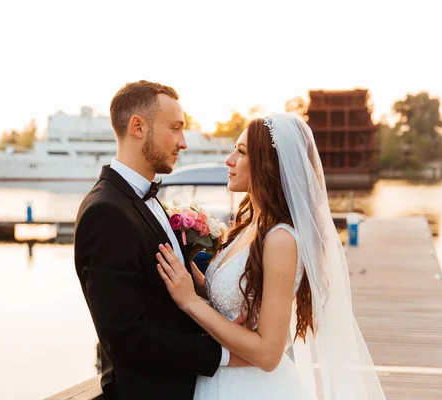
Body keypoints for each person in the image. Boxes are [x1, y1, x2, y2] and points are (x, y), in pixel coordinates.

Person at [156, 113, 387, 399]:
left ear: (268, 165)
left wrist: (190, 301)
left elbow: (268, 353)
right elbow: (233, 296)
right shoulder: (251, 226)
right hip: (220, 378)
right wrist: (188, 271)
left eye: (240, 152)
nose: (229, 160)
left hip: (251, 387)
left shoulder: (281, 239)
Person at [74, 80, 246, 400]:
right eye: (175, 128)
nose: (183, 142)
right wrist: (225, 354)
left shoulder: (144, 199)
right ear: (137, 127)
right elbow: (126, 336)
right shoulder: (106, 213)